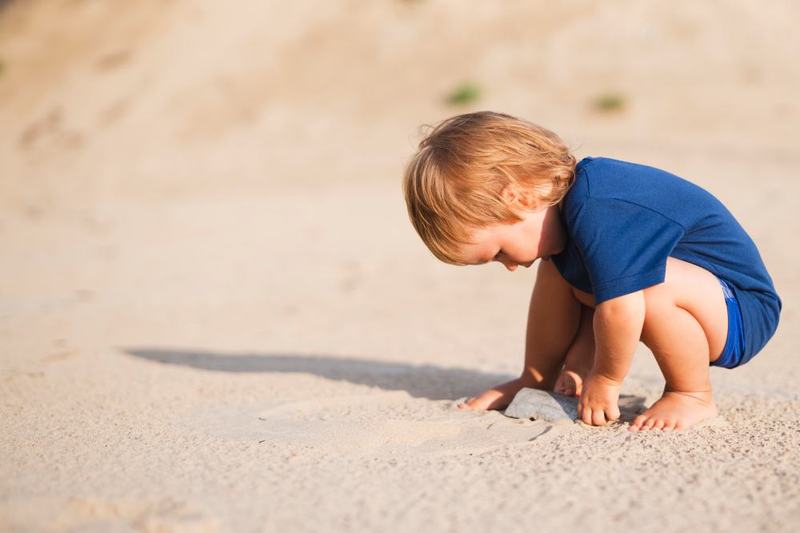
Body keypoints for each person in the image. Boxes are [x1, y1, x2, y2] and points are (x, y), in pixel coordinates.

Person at [402, 111, 782, 431]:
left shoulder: (598, 204)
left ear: (518, 196)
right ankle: (535, 377)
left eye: (500, 252)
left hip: (740, 309)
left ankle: (692, 393)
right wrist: (579, 366)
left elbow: (621, 307)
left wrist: (606, 378)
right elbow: (595, 291)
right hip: (693, 296)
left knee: (647, 285)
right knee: (557, 269)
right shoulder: (567, 225)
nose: (512, 266)